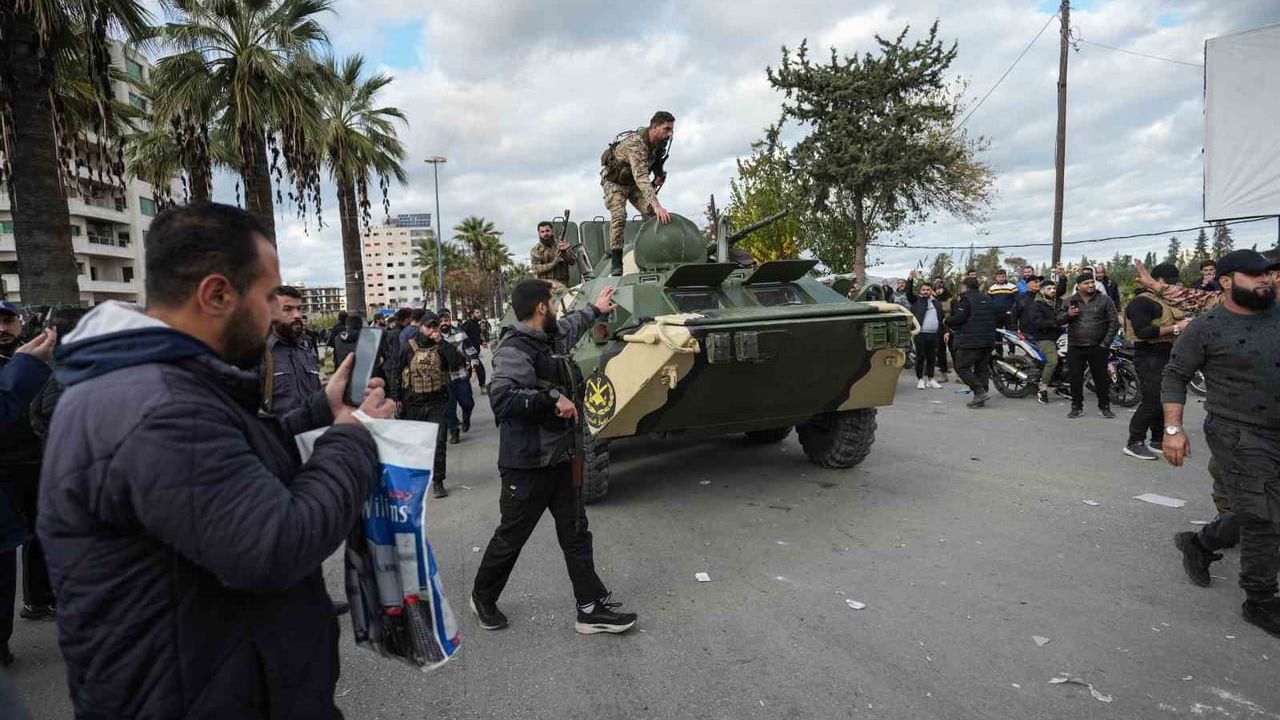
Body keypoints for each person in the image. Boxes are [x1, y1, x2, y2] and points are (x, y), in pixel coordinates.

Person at [38, 202, 395, 717]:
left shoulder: (165, 386)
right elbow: (275, 545)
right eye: (269, 296)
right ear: (217, 294)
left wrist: (324, 412)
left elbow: (232, 466)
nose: (276, 313)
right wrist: (353, 437)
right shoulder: (157, 408)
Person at [471, 279, 638, 635]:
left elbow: (573, 324)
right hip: (528, 464)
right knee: (511, 537)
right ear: (541, 308)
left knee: (576, 532)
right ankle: (482, 597)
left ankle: (590, 609)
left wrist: (597, 308)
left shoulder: (549, 337)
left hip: (563, 458)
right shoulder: (514, 349)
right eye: (551, 301)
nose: (556, 307)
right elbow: (503, 400)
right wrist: (551, 400)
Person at [1161, 249, 1280, 638]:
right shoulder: (1206, 328)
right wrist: (1174, 431)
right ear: (1227, 282)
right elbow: (1175, 376)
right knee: (1263, 518)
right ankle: (1260, 599)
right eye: (1254, 275)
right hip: (1238, 432)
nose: (1265, 280)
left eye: (1267, 273)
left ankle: (1199, 543)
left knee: (1260, 507)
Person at [0, 305, 57, 666]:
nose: (2, 327)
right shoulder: (26, 362)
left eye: (8, 320)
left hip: (35, 462)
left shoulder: (37, 358)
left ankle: (38, 599)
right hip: (4, 471)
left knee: (39, 534)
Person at [1122, 263, 1190, 461]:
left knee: (1164, 399)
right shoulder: (1141, 302)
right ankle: (1134, 442)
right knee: (1151, 400)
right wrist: (1177, 328)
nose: (1173, 287)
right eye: (1170, 282)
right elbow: (1143, 333)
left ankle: (1158, 439)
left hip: (1168, 354)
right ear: (1158, 281)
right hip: (1149, 356)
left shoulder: (1166, 301)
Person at [391, 314, 465, 498]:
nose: (433, 330)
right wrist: (395, 397)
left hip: (437, 402)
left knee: (439, 442)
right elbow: (395, 372)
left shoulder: (442, 346)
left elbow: (457, 363)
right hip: (412, 402)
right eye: (429, 327)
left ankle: (438, 481)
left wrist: (443, 344)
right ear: (421, 328)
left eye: (435, 327)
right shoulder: (407, 347)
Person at [600, 111, 675, 275]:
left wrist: (659, 175)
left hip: (633, 184)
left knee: (651, 214)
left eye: (671, 130)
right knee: (619, 216)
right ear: (654, 127)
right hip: (615, 183)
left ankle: (655, 252)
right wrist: (657, 205)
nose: (669, 134)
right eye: (666, 129)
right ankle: (616, 262)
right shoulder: (637, 143)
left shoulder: (659, 145)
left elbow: (654, 165)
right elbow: (641, 176)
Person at [1058, 273, 1120, 419]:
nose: (1091, 285)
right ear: (1078, 286)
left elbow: (1114, 323)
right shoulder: (1070, 301)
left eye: (1092, 282)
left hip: (1098, 346)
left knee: (1101, 379)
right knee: (1075, 378)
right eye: (1086, 283)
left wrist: (1105, 344)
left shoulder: (1105, 300)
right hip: (1075, 346)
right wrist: (1068, 315)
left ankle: (1104, 407)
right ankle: (1076, 407)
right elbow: (1058, 320)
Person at [259, 285, 322, 415]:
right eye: (287, 309)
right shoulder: (256, 354)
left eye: (299, 309)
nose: (297, 315)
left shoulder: (306, 348)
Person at [944, 277, 997, 408]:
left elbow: (960, 318)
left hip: (971, 340)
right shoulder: (988, 299)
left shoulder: (966, 299)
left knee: (961, 367)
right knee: (981, 368)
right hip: (988, 339)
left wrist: (947, 321)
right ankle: (981, 397)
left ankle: (979, 392)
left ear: (965, 287)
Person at [1015, 277, 1063, 404]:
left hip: (1059, 336)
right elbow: (1038, 322)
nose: (1053, 290)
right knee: (1052, 361)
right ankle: (1043, 389)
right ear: (1042, 291)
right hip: (1043, 337)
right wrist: (1057, 323)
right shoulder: (1035, 304)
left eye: (1054, 288)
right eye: (1049, 288)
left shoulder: (1058, 302)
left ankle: (1062, 385)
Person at [439, 310, 474, 444]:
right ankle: (454, 431)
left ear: (450, 320)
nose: (444, 323)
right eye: (441, 321)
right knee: (449, 408)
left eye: (446, 320)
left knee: (468, 403)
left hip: (460, 375)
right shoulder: (435, 337)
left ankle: (466, 418)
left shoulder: (460, 333)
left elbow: (470, 350)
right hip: (444, 379)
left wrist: (474, 364)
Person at [908, 277, 944, 390]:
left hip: (933, 335)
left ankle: (931, 379)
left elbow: (941, 318)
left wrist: (944, 332)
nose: (925, 291)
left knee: (932, 357)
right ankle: (920, 380)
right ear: (920, 291)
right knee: (921, 357)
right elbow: (909, 294)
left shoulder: (936, 303)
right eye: (923, 290)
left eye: (928, 290)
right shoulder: (916, 302)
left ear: (931, 291)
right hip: (921, 334)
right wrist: (910, 280)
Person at [531, 221, 577, 287]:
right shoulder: (536, 250)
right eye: (542, 232)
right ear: (539, 233)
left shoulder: (561, 245)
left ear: (552, 231)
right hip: (545, 285)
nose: (545, 234)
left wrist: (564, 253)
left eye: (547, 231)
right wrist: (553, 263)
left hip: (561, 284)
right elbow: (535, 269)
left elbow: (572, 262)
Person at [461, 308, 490, 392]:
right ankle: (482, 386)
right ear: (472, 314)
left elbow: (475, 337)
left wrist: (481, 342)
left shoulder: (477, 324)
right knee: (480, 369)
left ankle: (464, 388)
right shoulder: (467, 324)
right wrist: (467, 351)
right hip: (469, 353)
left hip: (475, 352)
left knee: (469, 371)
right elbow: (462, 337)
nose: (479, 314)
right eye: (477, 313)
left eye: (479, 312)